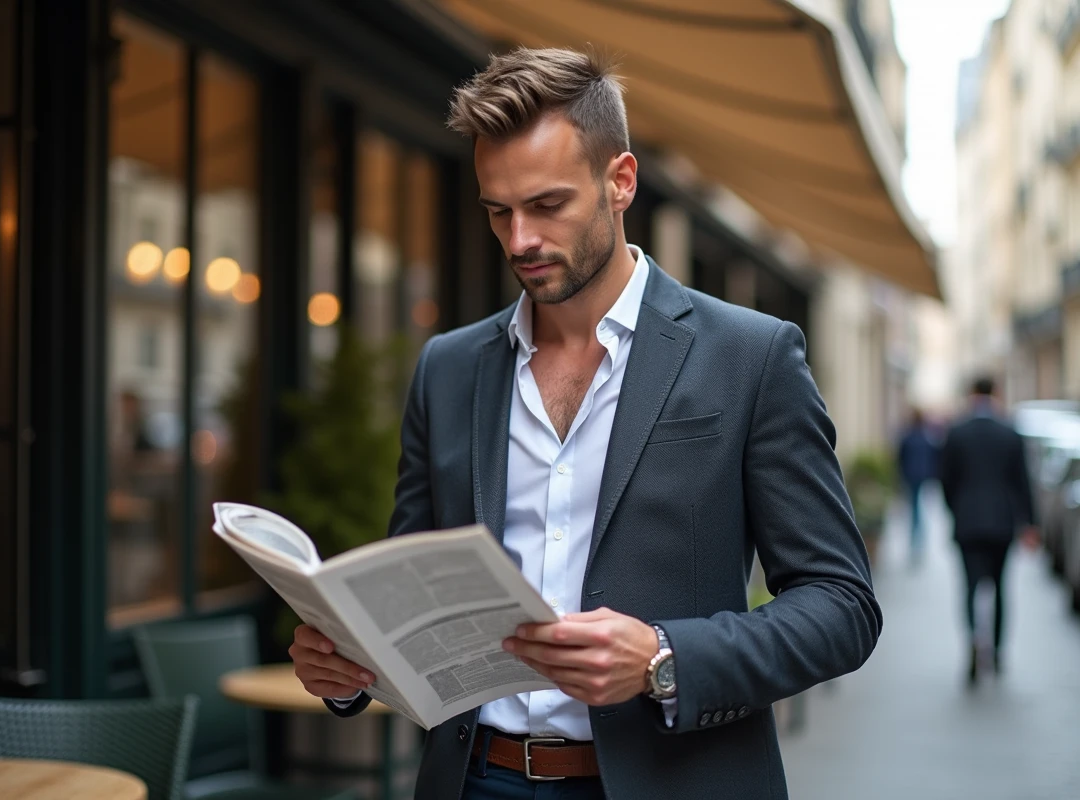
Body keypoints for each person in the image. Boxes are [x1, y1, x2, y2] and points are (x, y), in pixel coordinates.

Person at [290, 48, 880, 800]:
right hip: (475, 781)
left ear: (620, 181)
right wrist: (350, 668)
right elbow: (414, 600)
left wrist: (664, 658)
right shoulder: (448, 368)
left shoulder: (751, 356)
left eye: (547, 205)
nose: (519, 240)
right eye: (498, 211)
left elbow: (842, 606)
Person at [939, 375, 1037, 685]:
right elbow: (1023, 481)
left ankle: (972, 639)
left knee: (970, 587)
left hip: (968, 522)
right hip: (1002, 523)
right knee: (1000, 588)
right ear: (995, 393)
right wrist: (1030, 523)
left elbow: (945, 480)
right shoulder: (1009, 432)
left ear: (971, 394)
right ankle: (996, 651)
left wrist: (956, 509)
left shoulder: (957, 432)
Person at [897, 407, 941, 561]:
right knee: (919, 506)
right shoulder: (927, 437)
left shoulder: (907, 437)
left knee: (915, 507)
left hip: (910, 476)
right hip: (923, 476)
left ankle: (916, 538)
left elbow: (900, 458)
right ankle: (919, 538)